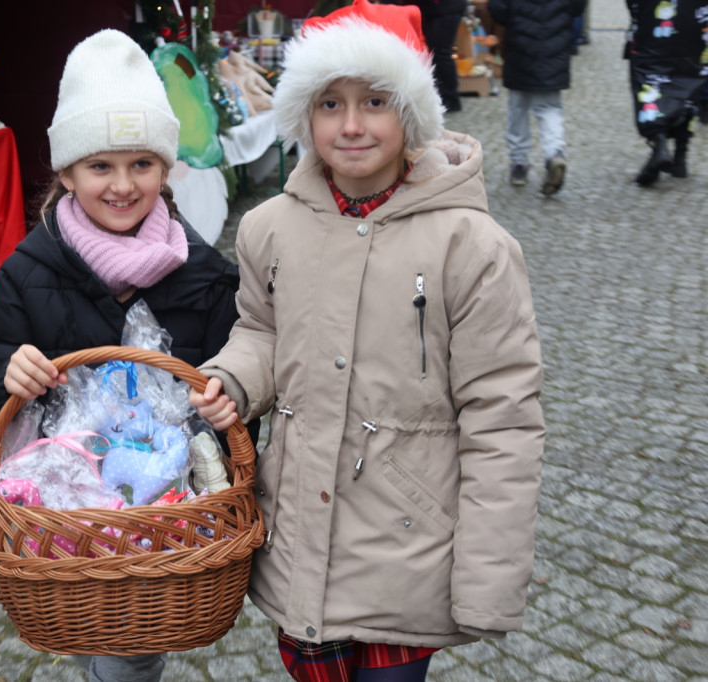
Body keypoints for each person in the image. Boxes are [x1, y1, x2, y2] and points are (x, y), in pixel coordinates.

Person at [189, 2, 545, 680]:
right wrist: (234, 379)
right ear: (305, 115)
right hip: (299, 533)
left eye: (375, 101)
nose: (351, 125)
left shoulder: (472, 248)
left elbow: (503, 418)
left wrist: (487, 580)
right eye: (330, 103)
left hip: (406, 549)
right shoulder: (270, 229)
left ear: (410, 112)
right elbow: (263, 328)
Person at [0, 28, 247, 682]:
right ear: (65, 171)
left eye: (141, 164)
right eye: (100, 166)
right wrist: (8, 374)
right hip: (59, 507)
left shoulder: (206, 275)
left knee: (131, 644)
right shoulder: (25, 272)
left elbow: (233, 380)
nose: (122, 185)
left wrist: (227, 402)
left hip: (163, 512)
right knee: (102, 632)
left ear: (167, 166)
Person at [488, 0, 587, 195]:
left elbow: (498, 9)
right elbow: (578, 7)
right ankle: (554, 153)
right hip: (554, 50)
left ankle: (518, 163)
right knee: (549, 108)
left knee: (518, 108)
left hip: (520, 49)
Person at [623, 0, 708, 187]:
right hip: (694, 26)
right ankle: (680, 156)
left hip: (652, 28)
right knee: (689, 83)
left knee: (649, 85)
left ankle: (658, 142)